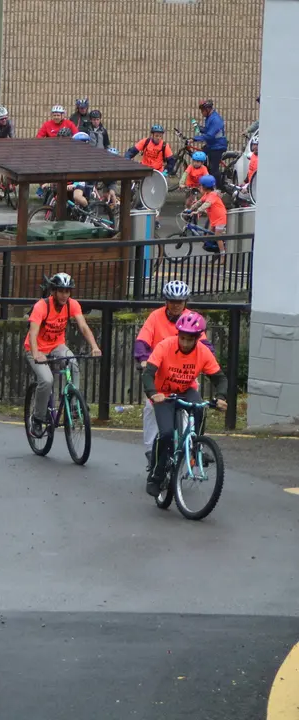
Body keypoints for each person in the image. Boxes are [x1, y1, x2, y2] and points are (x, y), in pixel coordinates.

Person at [141, 312, 228, 496]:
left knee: (200, 408)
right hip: (163, 394)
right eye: (182, 338)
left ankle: (196, 446)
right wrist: (153, 393)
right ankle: (155, 475)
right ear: (178, 335)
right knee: (165, 434)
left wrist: (221, 397)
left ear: (197, 339)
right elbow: (148, 374)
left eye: (190, 340)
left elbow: (220, 378)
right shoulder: (165, 346)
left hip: (186, 390)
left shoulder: (202, 352)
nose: (185, 343)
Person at [133, 281, 213, 463]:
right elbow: (142, 342)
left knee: (195, 409)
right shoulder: (155, 317)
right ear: (166, 301)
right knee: (151, 408)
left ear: (185, 302)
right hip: (160, 373)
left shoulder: (192, 319)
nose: (176, 305)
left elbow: (205, 345)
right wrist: (144, 359)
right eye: (172, 301)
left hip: (184, 373)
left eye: (180, 301)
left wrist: (207, 360)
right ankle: (150, 450)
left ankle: (195, 447)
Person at [23, 274, 102, 438]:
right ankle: (37, 419)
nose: (64, 295)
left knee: (73, 364)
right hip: (35, 348)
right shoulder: (41, 306)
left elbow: (83, 326)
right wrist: (36, 354)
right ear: (53, 291)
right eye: (61, 291)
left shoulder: (72, 304)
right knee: (47, 380)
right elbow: (33, 333)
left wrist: (94, 346)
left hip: (57, 346)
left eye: (67, 291)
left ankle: (73, 406)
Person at [185, 175, 228, 259]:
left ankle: (223, 255)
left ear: (205, 187)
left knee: (217, 237)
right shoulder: (207, 194)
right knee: (209, 235)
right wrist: (190, 209)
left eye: (201, 185)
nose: (199, 187)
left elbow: (206, 204)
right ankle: (215, 250)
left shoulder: (212, 195)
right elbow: (199, 202)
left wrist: (198, 211)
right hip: (214, 219)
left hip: (220, 218)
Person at [194, 99, 228, 184]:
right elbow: (208, 130)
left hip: (218, 146)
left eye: (202, 110)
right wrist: (199, 128)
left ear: (208, 109)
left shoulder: (215, 119)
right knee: (202, 156)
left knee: (213, 169)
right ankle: (205, 178)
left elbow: (209, 135)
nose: (201, 113)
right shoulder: (209, 118)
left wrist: (194, 139)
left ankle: (220, 187)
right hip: (212, 145)